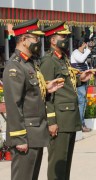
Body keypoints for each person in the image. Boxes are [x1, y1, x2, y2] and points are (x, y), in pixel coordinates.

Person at [3, 18, 64, 180]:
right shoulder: (15, 66)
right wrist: (19, 138)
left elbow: (30, 94)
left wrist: (47, 88)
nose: (38, 42)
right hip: (26, 135)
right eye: (35, 39)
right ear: (23, 39)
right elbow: (14, 105)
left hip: (35, 133)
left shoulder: (29, 64)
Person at [40, 21, 94, 180]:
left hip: (69, 117)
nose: (65, 39)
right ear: (53, 40)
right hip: (60, 119)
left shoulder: (63, 58)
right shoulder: (49, 61)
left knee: (66, 163)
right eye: (62, 36)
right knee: (58, 162)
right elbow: (47, 92)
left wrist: (81, 79)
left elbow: (65, 83)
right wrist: (51, 121)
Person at [70, 38, 92, 132]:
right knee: (81, 101)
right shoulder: (75, 53)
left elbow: (85, 64)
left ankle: (81, 123)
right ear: (82, 44)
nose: (86, 46)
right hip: (79, 81)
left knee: (83, 101)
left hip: (84, 80)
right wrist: (89, 50)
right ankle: (80, 124)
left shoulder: (83, 53)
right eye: (85, 44)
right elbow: (81, 60)